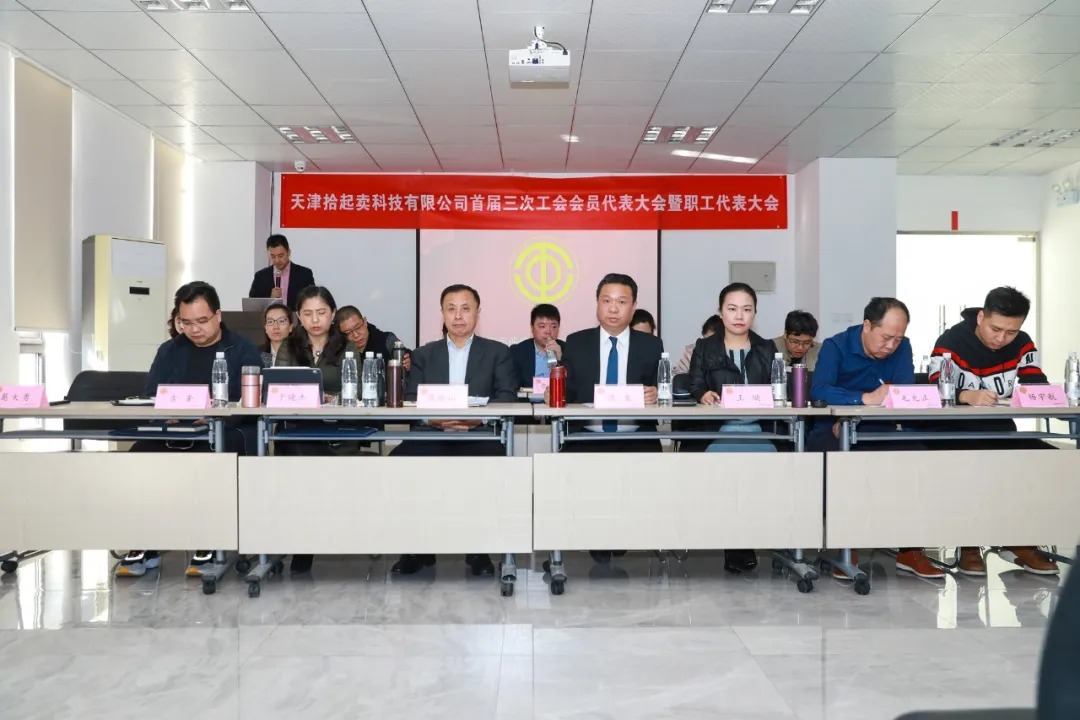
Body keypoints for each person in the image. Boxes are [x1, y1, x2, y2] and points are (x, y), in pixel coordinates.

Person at [118, 281, 262, 578]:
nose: (194, 329)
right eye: (186, 322)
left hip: (224, 428)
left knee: (210, 457)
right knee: (139, 454)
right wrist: (166, 416)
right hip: (175, 430)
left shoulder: (242, 348)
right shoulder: (170, 350)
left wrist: (215, 417)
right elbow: (151, 394)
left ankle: (207, 539)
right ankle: (144, 541)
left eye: (202, 321)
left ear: (218, 315)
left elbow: (252, 399)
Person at [809, 297, 945, 580]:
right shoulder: (836, 346)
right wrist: (863, 399)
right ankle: (846, 546)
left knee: (919, 459)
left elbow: (904, 391)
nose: (891, 346)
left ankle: (911, 549)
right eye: (886, 338)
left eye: (898, 339)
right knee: (848, 464)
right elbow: (819, 390)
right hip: (835, 429)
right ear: (867, 326)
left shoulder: (902, 347)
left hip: (883, 428)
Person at [928, 286, 1058, 576]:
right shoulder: (951, 341)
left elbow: (1035, 381)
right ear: (980, 317)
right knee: (974, 465)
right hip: (953, 430)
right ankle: (969, 543)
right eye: (996, 329)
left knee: (1046, 461)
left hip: (1000, 429)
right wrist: (964, 395)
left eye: (1011, 332)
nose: (1002, 339)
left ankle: (1019, 540)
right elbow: (934, 387)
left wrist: (1042, 394)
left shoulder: (1022, 343)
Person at [390, 284, 518, 578]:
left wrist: (477, 420)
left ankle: (479, 549)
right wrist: (433, 420)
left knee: (493, 464)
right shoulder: (423, 354)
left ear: (477, 313)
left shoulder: (498, 352)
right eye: (451, 309)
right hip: (432, 435)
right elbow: (411, 399)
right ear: (443, 314)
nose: (458, 316)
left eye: (465, 309)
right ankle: (416, 549)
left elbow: (507, 397)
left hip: (478, 436)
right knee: (401, 461)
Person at [553, 273, 664, 564]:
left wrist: (655, 393)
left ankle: (622, 532)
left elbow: (661, 389)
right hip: (587, 435)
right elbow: (566, 394)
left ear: (633, 306)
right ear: (597, 304)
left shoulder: (651, 345)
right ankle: (596, 536)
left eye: (622, 302)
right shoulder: (577, 343)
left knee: (645, 479)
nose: (613, 309)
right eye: (606, 301)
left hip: (635, 435)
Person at [688, 283, 777, 574]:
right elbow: (695, 384)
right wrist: (703, 394)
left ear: (755, 314)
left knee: (769, 474)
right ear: (720, 312)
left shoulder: (766, 348)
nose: (739, 316)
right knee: (727, 480)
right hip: (720, 431)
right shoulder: (705, 347)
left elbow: (779, 390)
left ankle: (755, 539)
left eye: (747, 309)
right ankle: (736, 543)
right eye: (732, 309)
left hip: (760, 431)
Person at [273, 286, 359, 574]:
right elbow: (277, 388)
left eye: (321, 312)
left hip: (337, 431)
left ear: (332, 314)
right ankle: (303, 540)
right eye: (308, 314)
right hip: (298, 429)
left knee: (302, 461)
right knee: (298, 452)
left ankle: (304, 542)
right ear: (299, 316)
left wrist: (331, 399)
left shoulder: (346, 348)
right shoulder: (289, 346)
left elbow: (357, 391)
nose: (315, 319)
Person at [248, 234, 316, 309]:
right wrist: (269, 297)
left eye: (280, 256)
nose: (277, 260)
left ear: (288, 252)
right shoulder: (260, 276)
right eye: (272, 256)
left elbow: (312, 300)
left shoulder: (304, 274)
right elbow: (252, 303)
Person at [336, 305, 411, 371]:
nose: (356, 335)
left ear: (365, 322)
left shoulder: (386, 339)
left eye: (358, 327)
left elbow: (405, 353)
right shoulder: (339, 350)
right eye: (348, 332)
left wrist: (408, 360)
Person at [510, 303, 565, 388]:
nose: (548, 331)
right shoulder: (518, 351)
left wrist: (561, 360)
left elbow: (573, 386)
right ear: (532, 328)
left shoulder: (568, 350)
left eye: (554, 326)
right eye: (542, 326)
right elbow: (513, 386)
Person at [259, 303, 294, 367]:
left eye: (281, 321)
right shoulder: (257, 353)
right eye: (270, 322)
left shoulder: (301, 354)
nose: (276, 327)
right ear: (265, 328)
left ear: (290, 327)